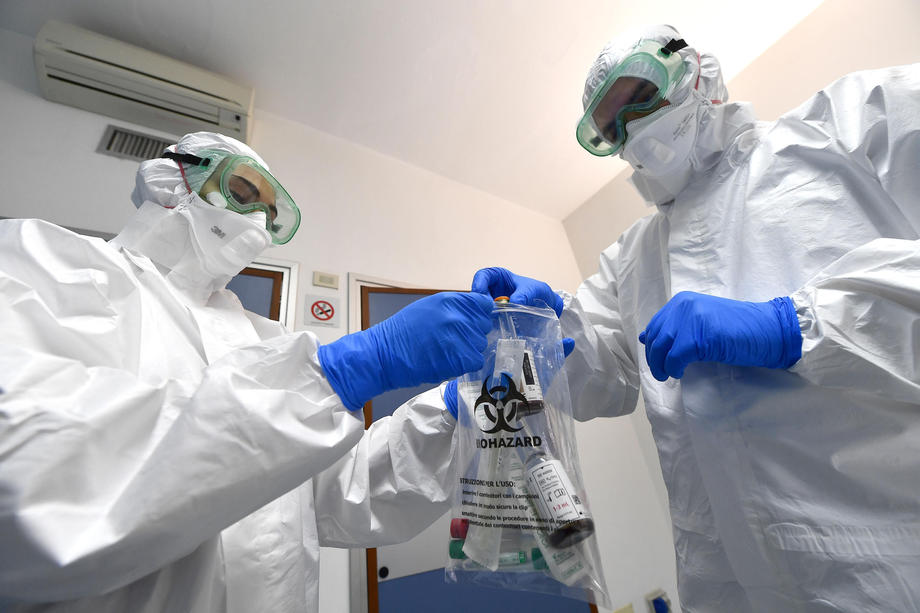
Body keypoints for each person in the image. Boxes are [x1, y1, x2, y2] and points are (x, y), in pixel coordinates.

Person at [472, 24, 920, 613]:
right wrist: (546, 328)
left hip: (890, 559)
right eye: (613, 128)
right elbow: (599, 378)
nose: (632, 130)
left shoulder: (853, 123)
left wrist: (796, 326)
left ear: (698, 72)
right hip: (720, 582)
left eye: (640, 98)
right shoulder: (631, 259)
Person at [0, 131, 496, 612]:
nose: (259, 221)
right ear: (171, 178)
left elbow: (346, 495)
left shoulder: (262, 337)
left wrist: (452, 407)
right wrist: (346, 369)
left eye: (271, 214)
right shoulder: (44, 263)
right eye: (242, 193)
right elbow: (36, 482)